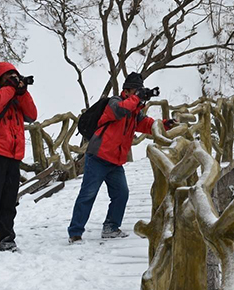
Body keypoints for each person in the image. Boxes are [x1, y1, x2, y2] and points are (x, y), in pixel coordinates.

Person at [67, 72, 175, 244]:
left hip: (115, 162)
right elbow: (119, 111)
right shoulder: (115, 102)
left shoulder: (134, 111)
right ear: (128, 90)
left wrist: (165, 125)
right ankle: (75, 232)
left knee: (121, 194)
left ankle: (111, 227)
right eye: (136, 90)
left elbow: (147, 124)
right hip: (98, 157)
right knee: (88, 194)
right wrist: (136, 99)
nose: (139, 94)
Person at [0, 62, 38, 257]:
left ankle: (6, 239)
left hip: (14, 155)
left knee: (9, 201)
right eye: (9, 77)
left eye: (15, 76)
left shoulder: (15, 97)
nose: (13, 80)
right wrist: (10, 88)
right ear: (0, 78)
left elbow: (32, 115)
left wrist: (23, 93)